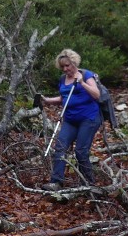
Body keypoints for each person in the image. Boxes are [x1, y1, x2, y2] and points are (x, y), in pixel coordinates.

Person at [37, 49, 102, 191]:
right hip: (70, 119)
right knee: (60, 147)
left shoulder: (86, 75)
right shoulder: (62, 79)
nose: (65, 69)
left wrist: (82, 83)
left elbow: (96, 94)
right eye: (63, 67)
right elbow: (64, 98)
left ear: (74, 63)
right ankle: (56, 182)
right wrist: (47, 100)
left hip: (89, 119)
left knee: (81, 151)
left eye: (68, 65)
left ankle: (89, 184)